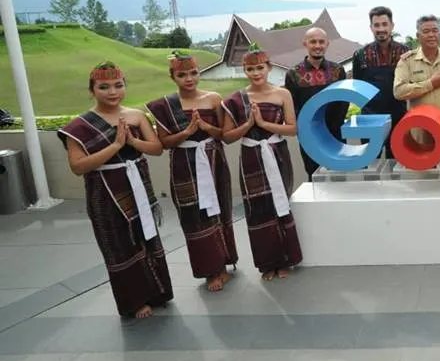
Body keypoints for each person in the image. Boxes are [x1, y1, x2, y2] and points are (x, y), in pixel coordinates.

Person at [58, 62, 172, 319]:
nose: (112, 92)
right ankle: (134, 301)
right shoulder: (78, 127)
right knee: (118, 245)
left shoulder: (136, 116)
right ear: (92, 90)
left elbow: (156, 149)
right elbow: (78, 167)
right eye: (104, 87)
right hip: (105, 194)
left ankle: (158, 292)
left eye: (118, 85)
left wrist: (132, 141)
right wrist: (116, 145)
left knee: (146, 237)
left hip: (139, 188)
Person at [145, 50, 238, 293]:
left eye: (194, 73)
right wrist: (187, 133)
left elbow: (224, 135)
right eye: (182, 74)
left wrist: (206, 127)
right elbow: (163, 142)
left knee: (220, 210)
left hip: (213, 160)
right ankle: (209, 270)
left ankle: (224, 266)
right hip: (183, 165)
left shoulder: (213, 99)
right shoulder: (164, 105)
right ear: (172, 77)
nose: (189, 78)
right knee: (194, 216)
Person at [222, 44, 303, 281]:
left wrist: (264, 124)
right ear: (244, 71)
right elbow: (227, 137)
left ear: (268, 68)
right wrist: (248, 125)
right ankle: (267, 263)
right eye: (250, 69)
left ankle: (286, 259)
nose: (256, 73)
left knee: (281, 201)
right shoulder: (236, 99)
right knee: (258, 209)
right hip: (251, 157)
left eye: (260, 68)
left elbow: (292, 128)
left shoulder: (282, 94)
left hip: (277, 153)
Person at [393, 15, 440, 152]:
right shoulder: (407, 61)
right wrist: (429, 84)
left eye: (435, 30)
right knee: (423, 172)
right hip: (420, 136)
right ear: (418, 35)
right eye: (426, 32)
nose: (431, 35)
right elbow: (399, 91)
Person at [283, 27, 348, 177]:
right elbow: (293, 106)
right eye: (313, 41)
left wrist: (333, 126)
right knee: (314, 175)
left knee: (339, 174)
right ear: (305, 43)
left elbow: (343, 102)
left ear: (327, 43)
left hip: (334, 133)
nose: (317, 46)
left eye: (321, 42)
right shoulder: (294, 74)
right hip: (309, 135)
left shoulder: (337, 70)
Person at [351, 6, 410, 158]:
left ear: (392, 26)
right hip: (369, 118)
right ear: (371, 27)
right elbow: (358, 86)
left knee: (397, 163)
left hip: (398, 116)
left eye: (384, 24)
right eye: (376, 25)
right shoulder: (360, 55)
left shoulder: (405, 53)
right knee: (370, 164)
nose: (381, 29)